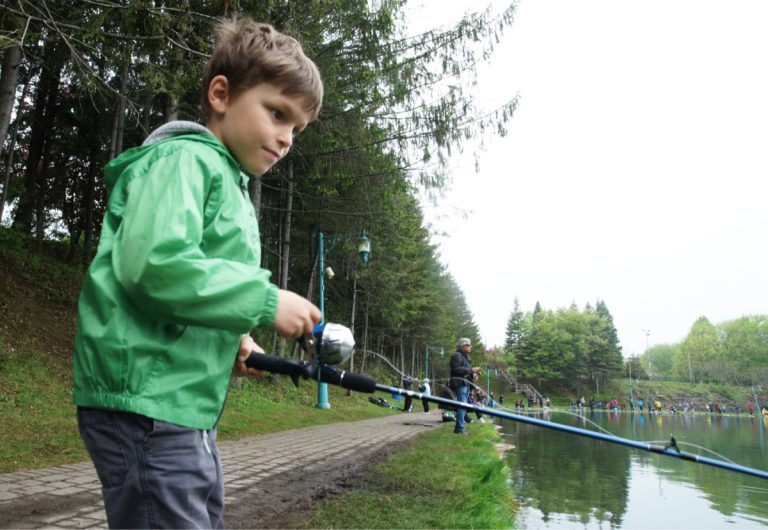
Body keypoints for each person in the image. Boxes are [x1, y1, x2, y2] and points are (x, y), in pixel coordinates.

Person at [72, 17, 323, 529]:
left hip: (181, 407)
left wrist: (235, 340)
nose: (285, 137)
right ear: (221, 94)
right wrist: (265, 300)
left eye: (296, 128)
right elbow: (156, 267)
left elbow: (199, 287)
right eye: (277, 113)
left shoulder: (227, 183)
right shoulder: (184, 161)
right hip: (145, 403)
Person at [449, 337, 480, 435]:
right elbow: (457, 370)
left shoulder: (466, 357)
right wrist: (471, 370)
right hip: (459, 384)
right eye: (469, 345)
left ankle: (460, 427)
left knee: (463, 406)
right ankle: (459, 429)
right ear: (463, 346)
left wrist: (473, 375)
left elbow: (465, 371)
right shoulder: (456, 356)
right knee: (461, 406)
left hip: (465, 384)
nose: (471, 347)